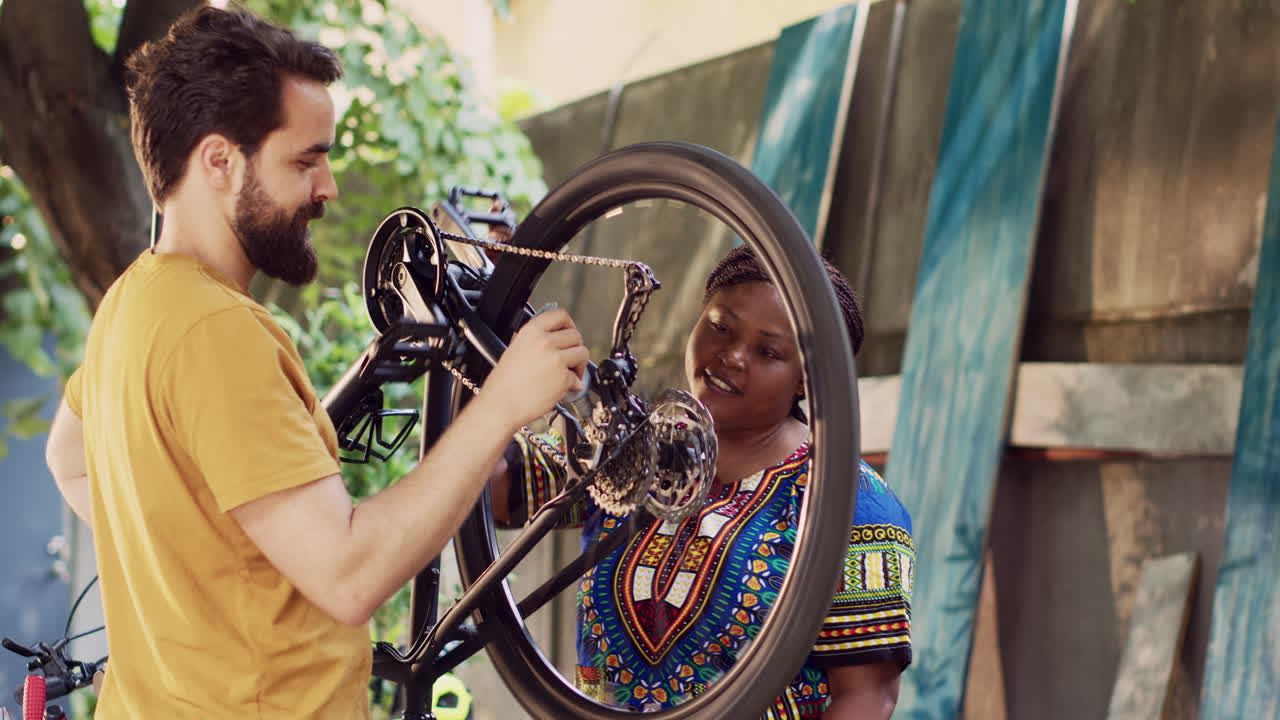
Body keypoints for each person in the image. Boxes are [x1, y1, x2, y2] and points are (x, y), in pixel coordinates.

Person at [42, 7, 586, 718]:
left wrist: (193, 568)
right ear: (219, 161)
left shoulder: (129, 304)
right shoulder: (216, 331)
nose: (328, 187)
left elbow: (68, 458)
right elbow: (349, 574)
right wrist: (503, 404)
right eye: (305, 161)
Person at [493, 245, 914, 719]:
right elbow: (496, 491)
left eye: (768, 351)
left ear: (805, 380)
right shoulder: (630, 448)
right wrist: (488, 344)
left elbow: (867, 698)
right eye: (720, 326)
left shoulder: (853, 504)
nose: (732, 356)